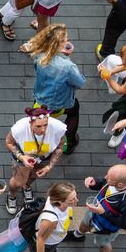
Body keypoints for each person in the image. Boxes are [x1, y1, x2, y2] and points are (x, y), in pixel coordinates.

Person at [64, 164, 126, 252]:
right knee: (85, 223)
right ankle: (78, 235)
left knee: (102, 243)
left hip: (106, 227)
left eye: (109, 178)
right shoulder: (117, 180)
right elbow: (104, 183)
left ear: (120, 184)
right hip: (95, 211)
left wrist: (102, 212)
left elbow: (124, 224)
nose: (105, 177)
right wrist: (95, 183)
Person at [29, 24, 85, 154]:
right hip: (57, 103)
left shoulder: (39, 54)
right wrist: (65, 57)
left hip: (40, 97)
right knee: (74, 110)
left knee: (40, 119)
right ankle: (69, 142)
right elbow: (80, 83)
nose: (67, 41)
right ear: (58, 44)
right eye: (65, 40)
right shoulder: (67, 66)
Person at [4, 107, 67, 215]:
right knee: (18, 181)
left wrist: (49, 166)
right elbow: (9, 142)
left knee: (33, 176)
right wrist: (21, 157)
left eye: (45, 125)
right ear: (30, 122)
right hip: (23, 156)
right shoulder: (20, 128)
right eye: (38, 126)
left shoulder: (57, 128)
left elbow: (60, 147)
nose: (43, 130)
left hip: (43, 158)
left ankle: (26, 187)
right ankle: (11, 196)